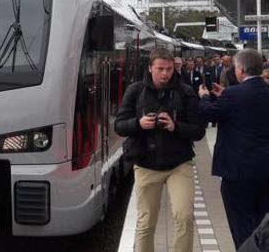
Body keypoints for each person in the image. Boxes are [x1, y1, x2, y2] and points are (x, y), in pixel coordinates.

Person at [115, 48, 205, 252]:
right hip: (146, 164)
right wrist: (138, 124)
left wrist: (176, 127)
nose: (165, 73)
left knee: (184, 216)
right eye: (160, 69)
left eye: (169, 69)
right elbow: (119, 125)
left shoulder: (185, 92)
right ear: (150, 68)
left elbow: (199, 130)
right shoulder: (135, 90)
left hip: (179, 163)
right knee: (146, 221)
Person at [199, 49, 269, 250]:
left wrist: (205, 97)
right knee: (264, 221)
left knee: (242, 225)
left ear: (241, 69)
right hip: (266, 171)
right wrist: (225, 96)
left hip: (238, 172)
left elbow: (209, 114)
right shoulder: (238, 94)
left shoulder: (232, 94)